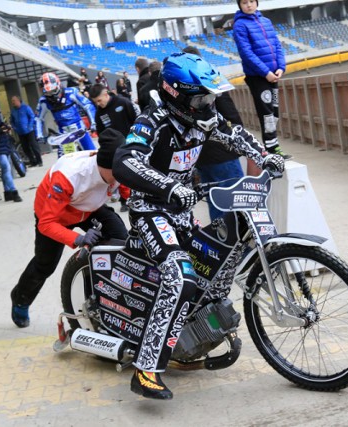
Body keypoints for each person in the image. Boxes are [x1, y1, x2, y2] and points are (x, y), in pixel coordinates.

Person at [112, 52, 285, 399]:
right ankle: (146, 369)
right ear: (178, 95)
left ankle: (192, 340)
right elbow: (125, 160)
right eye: (202, 97)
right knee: (181, 277)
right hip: (151, 210)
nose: (209, 103)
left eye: (211, 96)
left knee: (215, 267)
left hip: (182, 210)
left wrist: (264, 155)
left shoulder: (203, 117)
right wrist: (169, 186)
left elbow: (234, 134)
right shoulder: (153, 121)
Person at [10, 129, 129, 328]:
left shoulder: (117, 170)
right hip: (55, 214)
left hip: (89, 207)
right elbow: (46, 224)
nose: (120, 176)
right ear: (103, 166)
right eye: (117, 173)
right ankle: (20, 298)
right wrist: (78, 239)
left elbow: (130, 194)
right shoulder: (70, 175)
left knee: (120, 239)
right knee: (45, 264)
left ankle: (108, 297)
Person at [182, 45, 246, 221]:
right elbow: (230, 114)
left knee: (214, 200)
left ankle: (220, 242)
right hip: (222, 151)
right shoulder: (210, 79)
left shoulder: (181, 85)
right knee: (236, 198)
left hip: (200, 153)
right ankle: (236, 244)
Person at [232, 0, 292, 160]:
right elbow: (246, 53)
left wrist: (281, 67)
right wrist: (266, 73)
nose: (249, 5)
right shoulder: (240, 25)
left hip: (273, 74)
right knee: (266, 112)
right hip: (258, 77)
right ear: (240, 5)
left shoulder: (266, 21)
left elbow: (277, 46)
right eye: (244, 2)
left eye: (252, 1)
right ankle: (272, 149)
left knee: (275, 111)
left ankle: (273, 144)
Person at [89, 83, 140, 212]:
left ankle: (140, 198)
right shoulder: (99, 114)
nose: (98, 104)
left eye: (99, 100)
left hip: (131, 144)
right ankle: (125, 201)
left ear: (106, 94)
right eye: (95, 102)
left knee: (137, 173)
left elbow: (137, 121)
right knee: (121, 176)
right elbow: (101, 135)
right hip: (115, 151)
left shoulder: (123, 102)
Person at [35, 72, 97, 157]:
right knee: (63, 160)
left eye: (53, 91)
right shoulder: (43, 101)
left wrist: (93, 123)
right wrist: (39, 135)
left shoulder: (72, 92)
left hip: (80, 130)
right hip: (64, 135)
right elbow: (38, 118)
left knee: (94, 155)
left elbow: (88, 105)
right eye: (48, 93)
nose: (52, 95)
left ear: (58, 85)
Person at [10, 96, 43, 167]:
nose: (13, 102)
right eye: (12, 101)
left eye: (14, 100)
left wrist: (29, 125)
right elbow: (12, 121)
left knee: (34, 146)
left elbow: (32, 116)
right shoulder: (13, 111)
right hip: (20, 132)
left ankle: (39, 161)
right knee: (25, 148)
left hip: (29, 131)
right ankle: (33, 161)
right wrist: (15, 128)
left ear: (18, 100)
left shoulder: (26, 108)